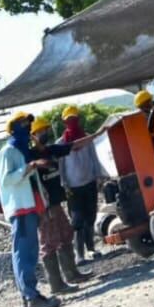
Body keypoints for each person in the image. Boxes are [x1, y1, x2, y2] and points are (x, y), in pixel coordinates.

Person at [0, 112, 60, 307]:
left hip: (29, 206)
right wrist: (30, 166)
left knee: (28, 251)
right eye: (24, 124)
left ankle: (28, 296)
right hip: (20, 208)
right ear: (13, 128)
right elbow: (6, 180)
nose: (28, 128)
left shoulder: (20, 151)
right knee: (25, 253)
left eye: (28, 124)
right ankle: (32, 298)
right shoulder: (8, 152)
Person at [30, 116, 92, 292]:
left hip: (55, 203)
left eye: (46, 130)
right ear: (33, 135)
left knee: (66, 234)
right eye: (41, 131)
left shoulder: (51, 150)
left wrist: (98, 134)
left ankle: (72, 274)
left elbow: (75, 145)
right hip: (45, 206)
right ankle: (56, 284)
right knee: (49, 242)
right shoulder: (31, 157)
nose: (45, 133)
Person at [58, 106, 103, 263]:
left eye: (74, 119)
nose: (72, 122)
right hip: (73, 188)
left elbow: (94, 158)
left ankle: (91, 248)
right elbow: (61, 167)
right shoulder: (61, 143)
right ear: (64, 122)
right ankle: (80, 255)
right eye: (69, 120)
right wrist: (65, 185)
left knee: (90, 216)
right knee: (77, 221)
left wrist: (98, 177)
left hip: (90, 183)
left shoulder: (87, 139)